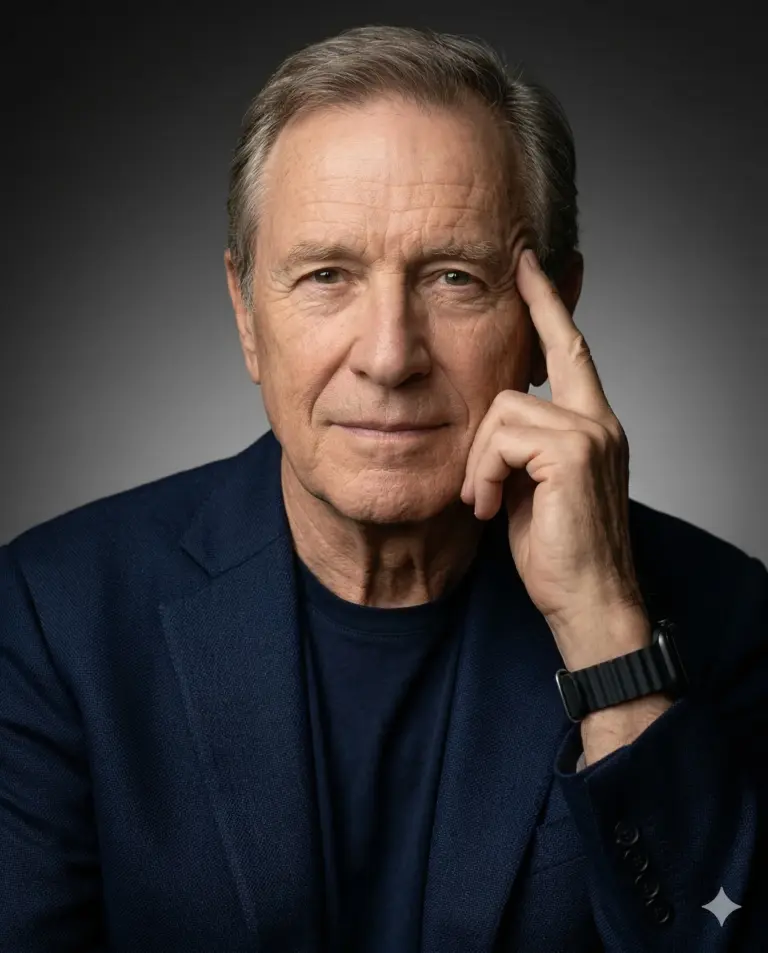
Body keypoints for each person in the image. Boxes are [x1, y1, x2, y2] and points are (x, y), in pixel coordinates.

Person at [1, 24, 766, 953]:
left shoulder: (725, 614)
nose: (390, 356)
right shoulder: (51, 618)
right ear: (246, 313)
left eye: (454, 277)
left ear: (551, 315)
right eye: (327, 275)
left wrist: (609, 638)